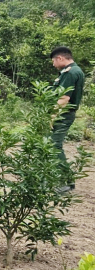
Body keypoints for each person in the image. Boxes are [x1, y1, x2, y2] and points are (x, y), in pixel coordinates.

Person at [50, 46, 85, 192]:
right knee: (50, 144)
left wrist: (52, 116)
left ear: (60, 58)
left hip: (63, 115)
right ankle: (55, 178)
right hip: (63, 114)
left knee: (54, 145)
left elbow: (64, 98)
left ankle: (66, 181)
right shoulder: (69, 72)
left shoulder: (71, 73)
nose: (53, 64)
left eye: (53, 61)